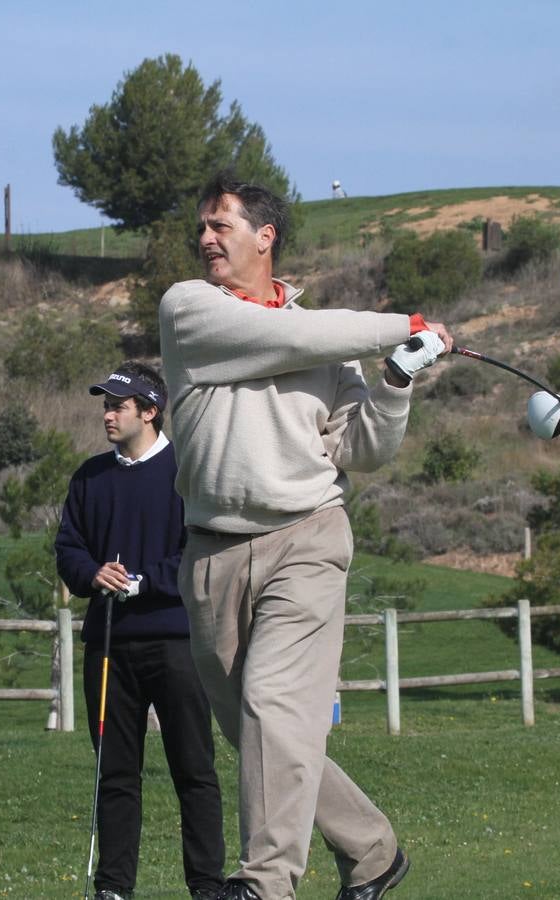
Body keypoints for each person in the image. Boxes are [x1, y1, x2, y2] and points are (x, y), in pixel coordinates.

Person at [157, 173, 452, 900]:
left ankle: (266, 885)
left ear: (266, 237)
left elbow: (361, 449)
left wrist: (393, 382)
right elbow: (287, 336)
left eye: (221, 225)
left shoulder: (333, 344)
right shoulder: (191, 309)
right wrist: (404, 322)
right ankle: (374, 850)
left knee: (273, 711)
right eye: (202, 226)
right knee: (267, 735)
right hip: (210, 553)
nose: (205, 238)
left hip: (307, 540)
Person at [55, 361, 226, 900]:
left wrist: (143, 582)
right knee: (115, 773)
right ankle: (113, 888)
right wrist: (91, 574)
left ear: (149, 412)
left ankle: (206, 885)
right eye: (105, 405)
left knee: (193, 768)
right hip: (107, 647)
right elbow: (69, 548)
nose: (107, 414)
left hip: (177, 641)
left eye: (117, 405)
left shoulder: (187, 469)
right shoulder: (89, 476)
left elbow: (197, 550)